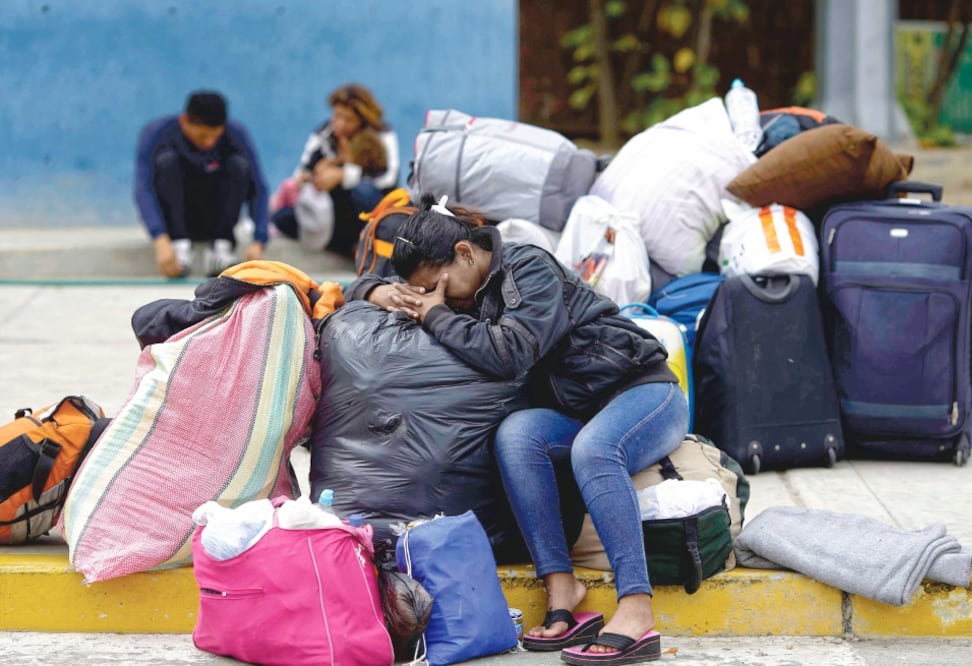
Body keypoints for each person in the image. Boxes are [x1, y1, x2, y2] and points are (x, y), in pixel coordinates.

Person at [345, 195, 687, 666]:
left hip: (644, 393)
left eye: (439, 288)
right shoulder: (457, 278)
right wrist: (377, 293)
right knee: (516, 434)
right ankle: (562, 584)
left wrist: (436, 315)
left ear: (465, 254)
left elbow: (511, 353)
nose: (438, 298)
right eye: (426, 293)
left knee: (595, 449)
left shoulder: (528, 267)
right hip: (581, 410)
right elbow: (354, 285)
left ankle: (636, 608)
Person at [133, 90, 269, 278]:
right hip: (177, 220)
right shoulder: (157, 133)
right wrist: (160, 239)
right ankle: (180, 247)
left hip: (216, 218)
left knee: (238, 165)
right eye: (203, 136)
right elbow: (143, 189)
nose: (209, 142)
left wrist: (259, 240)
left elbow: (259, 189)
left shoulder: (236, 134)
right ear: (184, 122)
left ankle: (221, 248)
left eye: (215, 136)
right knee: (167, 162)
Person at [271, 83, 400, 258]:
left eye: (347, 119)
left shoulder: (381, 134)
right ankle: (345, 248)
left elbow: (388, 178)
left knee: (363, 191)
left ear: (362, 119)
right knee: (282, 217)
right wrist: (315, 177)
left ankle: (372, 246)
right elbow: (301, 172)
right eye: (337, 116)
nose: (339, 123)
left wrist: (343, 175)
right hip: (335, 213)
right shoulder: (324, 134)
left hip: (368, 211)